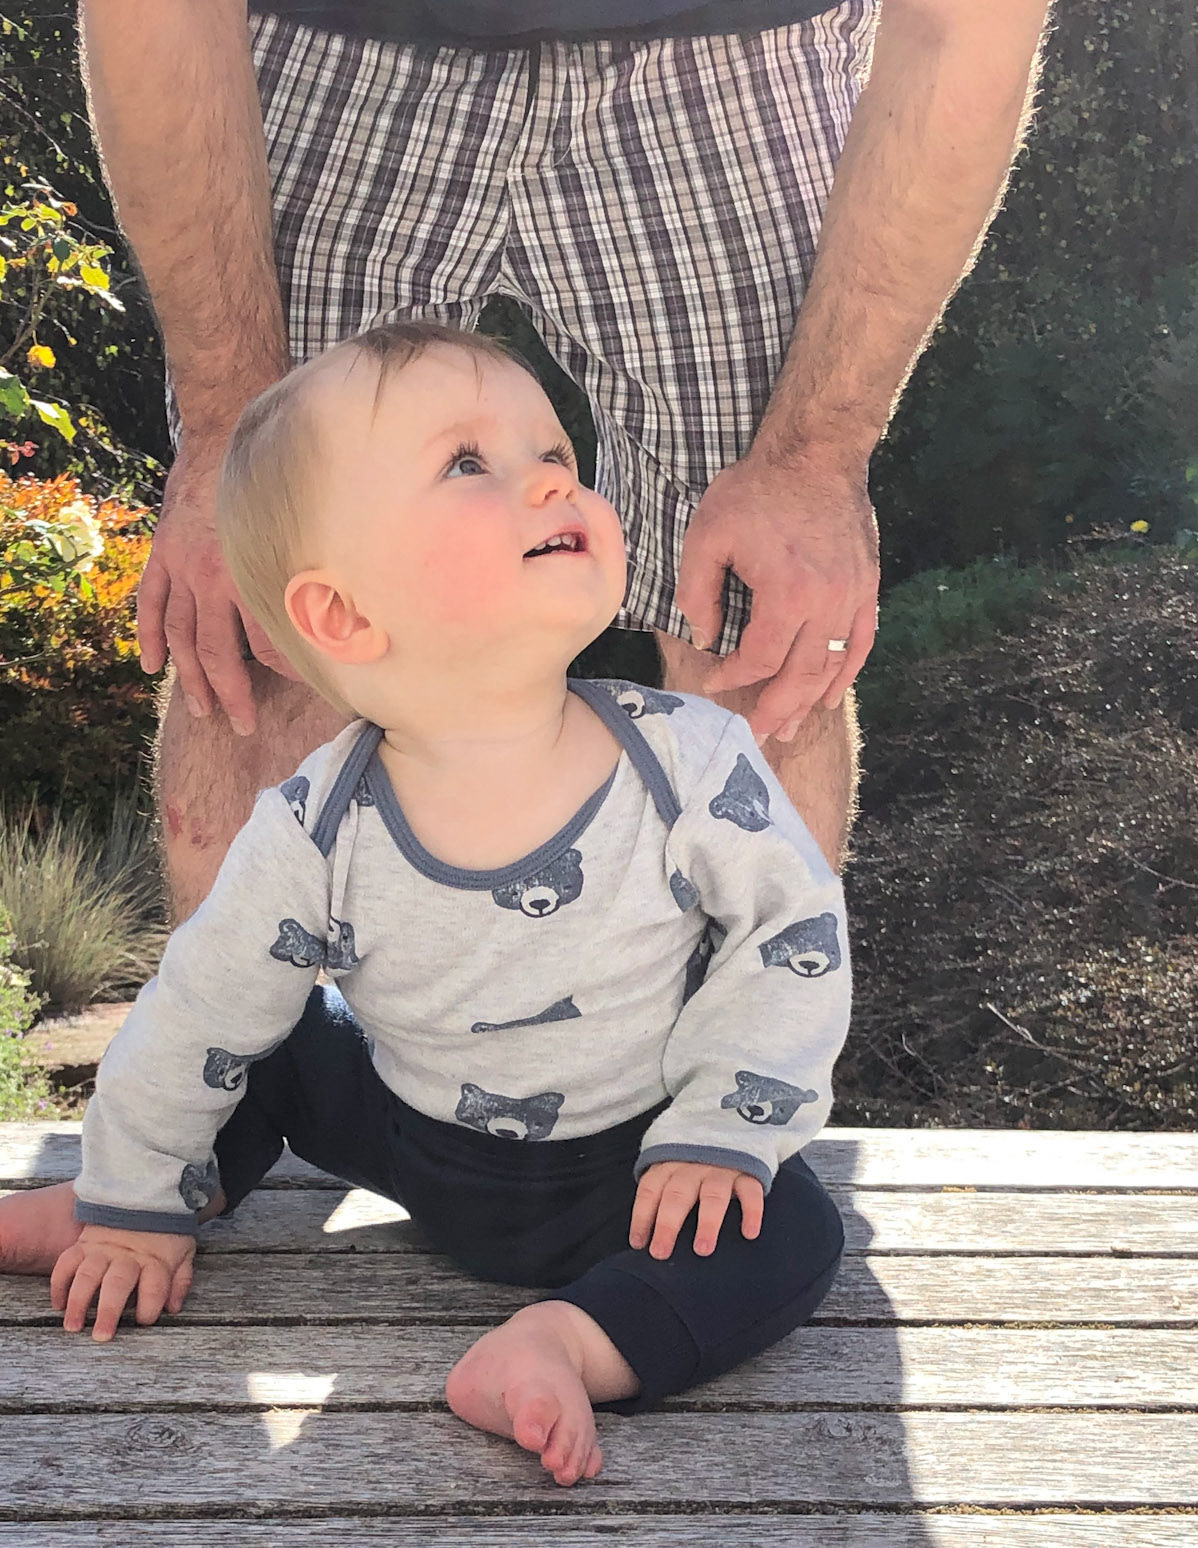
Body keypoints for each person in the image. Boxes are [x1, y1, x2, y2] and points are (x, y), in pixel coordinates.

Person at [0, 324, 850, 1487]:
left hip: (630, 1173)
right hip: (408, 1139)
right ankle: (143, 1196)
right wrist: (130, 1193)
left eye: (552, 451)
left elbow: (786, 939)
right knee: (259, 1036)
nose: (551, 479)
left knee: (789, 1225)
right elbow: (196, 1008)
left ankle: (566, 1339)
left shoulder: (690, 759)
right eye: (469, 462)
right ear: (342, 615)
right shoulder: (316, 821)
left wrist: (718, 1128)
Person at [78, 0, 1051, 910]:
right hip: (331, 41)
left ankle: (757, 1034)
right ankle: (247, 1034)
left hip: (738, 55)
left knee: (766, 629)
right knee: (269, 619)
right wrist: (227, 441)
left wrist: (816, 456)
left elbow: (960, 27)